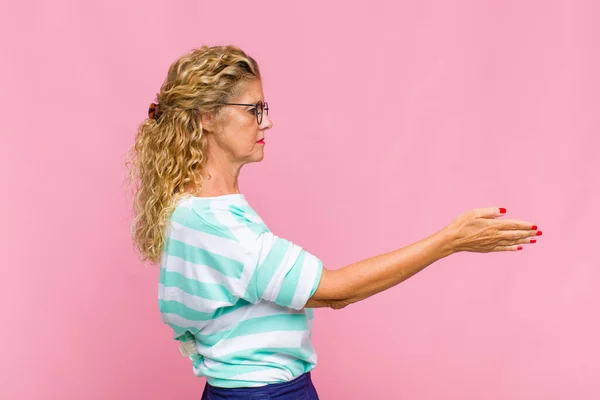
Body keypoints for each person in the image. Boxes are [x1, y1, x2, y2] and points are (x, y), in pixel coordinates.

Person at [126, 45, 542, 400]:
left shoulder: (189, 209)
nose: (266, 122)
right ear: (206, 117)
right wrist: (450, 240)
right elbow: (335, 291)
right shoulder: (218, 224)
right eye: (254, 109)